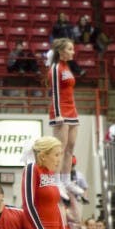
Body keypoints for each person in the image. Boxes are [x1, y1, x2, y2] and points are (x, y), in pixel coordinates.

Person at [46, 38, 85, 199]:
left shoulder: (67, 67)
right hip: (60, 111)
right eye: (70, 49)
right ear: (61, 51)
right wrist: (58, 114)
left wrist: (75, 111)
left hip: (71, 111)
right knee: (59, 150)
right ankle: (56, 182)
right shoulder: (55, 68)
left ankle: (66, 180)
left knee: (70, 149)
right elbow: (54, 92)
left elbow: (70, 91)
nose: (73, 52)